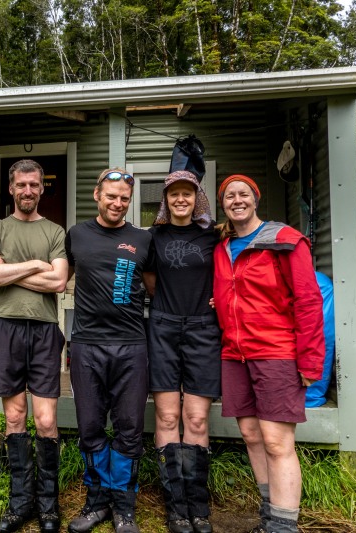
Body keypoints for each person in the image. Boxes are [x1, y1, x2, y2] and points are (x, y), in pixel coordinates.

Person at [212, 174, 325, 533]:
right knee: (250, 435)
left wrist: (310, 360)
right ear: (223, 204)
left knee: (277, 442)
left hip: (276, 352)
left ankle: (284, 526)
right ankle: (269, 515)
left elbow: (308, 300)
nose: (237, 200)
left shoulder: (284, 240)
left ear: (255, 199)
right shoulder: (222, 247)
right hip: (235, 354)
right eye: (229, 196)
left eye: (243, 194)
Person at [0, 159, 69, 533]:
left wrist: (10, 271)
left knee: (45, 420)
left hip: (44, 331)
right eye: (21, 185)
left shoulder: (55, 231)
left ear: (42, 188)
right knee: (15, 417)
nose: (28, 190)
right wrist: (37, 265)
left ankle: (48, 505)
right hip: (5, 330)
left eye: (34, 184)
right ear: (11, 188)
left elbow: (59, 282)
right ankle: (20, 503)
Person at [65, 168, 153, 533]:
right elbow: (59, 278)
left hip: (131, 346)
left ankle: (124, 506)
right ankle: (97, 501)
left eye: (124, 199)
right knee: (90, 426)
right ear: (97, 195)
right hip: (87, 345)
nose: (118, 203)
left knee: (129, 427)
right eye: (111, 196)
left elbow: (155, 289)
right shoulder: (76, 235)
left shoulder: (143, 239)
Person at [142, 170, 219, 533]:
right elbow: (151, 282)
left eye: (187, 193)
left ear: (197, 198)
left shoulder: (213, 234)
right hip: (163, 327)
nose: (181, 199)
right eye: (174, 194)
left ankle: (197, 506)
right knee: (168, 416)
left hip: (204, 328)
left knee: (197, 419)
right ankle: (175, 508)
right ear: (166, 200)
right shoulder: (154, 237)